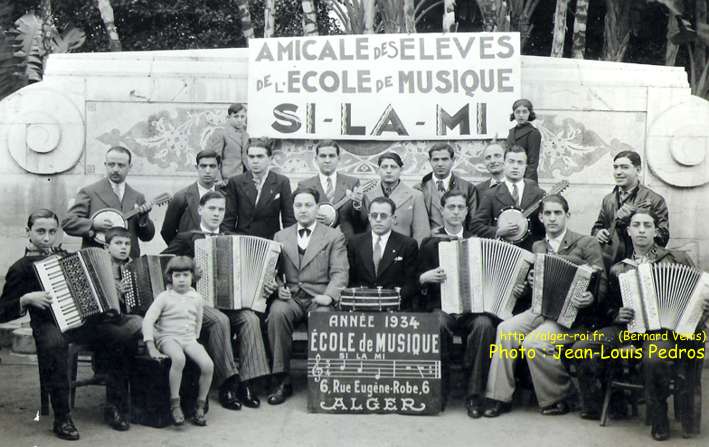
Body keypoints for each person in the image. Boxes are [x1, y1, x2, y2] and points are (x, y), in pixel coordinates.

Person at [0, 209, 142, 440]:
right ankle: (62, 417)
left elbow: (87, 289)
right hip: (48, 324)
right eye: (40, 231)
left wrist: (108, 291)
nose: (47, 238)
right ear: (28, 232)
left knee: (121, 336)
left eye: (52, 232)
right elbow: (3, 311)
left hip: (81, 322)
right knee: (55, 345)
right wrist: (26, 300)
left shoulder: (66, 256)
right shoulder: (21, 267)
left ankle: (114, 405)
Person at [572, 209, 709, 440]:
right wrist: (617, 314)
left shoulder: (676, 258)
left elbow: (699, 292)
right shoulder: (619, 268)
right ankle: (608, 404)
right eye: (637, 225)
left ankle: (659, 418)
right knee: (583, 348)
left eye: (647, 225)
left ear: (656, 231)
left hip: (665, 331)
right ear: (629, 231)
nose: (642, 230)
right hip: (629, 330)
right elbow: (608, 307)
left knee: (654, 357)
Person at [483, 194, 606, 418]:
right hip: (540, 310)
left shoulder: (587, 243)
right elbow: (536, 282)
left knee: (534, 342)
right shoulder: (538, 246)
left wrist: (591, 297)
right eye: (547, 213)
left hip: (573, 317)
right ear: (540, 217)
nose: (552, 218)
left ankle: (560, 396)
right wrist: (530, 284)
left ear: (567, 215)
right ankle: (499, 396)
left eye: (557, 213)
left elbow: (602, 282)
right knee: (505, 330)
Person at [164, 190, 267, 410]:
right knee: (220, 321)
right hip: (198, 303)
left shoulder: (233, 237)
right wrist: (189, 272)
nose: (216, 213)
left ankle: (247, 383)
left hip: (231, 302)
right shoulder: (185, 237)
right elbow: (164, 266)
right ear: (200, 210)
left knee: (250, 319)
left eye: (221, 209)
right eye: (211, 208)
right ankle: (227, 383)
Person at [417, 190, 497, 419]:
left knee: (484, 326)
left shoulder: (479, 242)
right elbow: (417, 279)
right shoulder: (430, 243)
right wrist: (426, 278)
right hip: (443, 307)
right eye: (450, 207)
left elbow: (491, 278)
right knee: (437, 324)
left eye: (460, 207)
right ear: (442, 210)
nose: (455, 212)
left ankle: (474, 394)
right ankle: (439, 390)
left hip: (473, 310)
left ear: (467, 211)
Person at [266, 187, 349, 405]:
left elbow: (340, 272)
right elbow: (271, 272)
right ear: (293, 208)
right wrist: (278, 288)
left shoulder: (333, 236)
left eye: (308, 205)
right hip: (291, 298)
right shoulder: (280, 235)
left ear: (317, 208)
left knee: (324, 318)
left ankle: (322, 380)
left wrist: (330, 297)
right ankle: (282, 379)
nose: (303, 210)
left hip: (319, 298)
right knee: (276, 313)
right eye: (298, 205)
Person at [143, 256, 214, 426]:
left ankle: (200, 406)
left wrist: (193, 341)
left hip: (188, 338)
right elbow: (147, 320)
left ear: (193, 277)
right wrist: (151, 344)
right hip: (167, 337)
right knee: (179, 359)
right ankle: (175, 404)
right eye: (177, 276)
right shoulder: (164, 297)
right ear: (170, 277)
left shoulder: (196, 297)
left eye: (185, 275)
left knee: (208, 365)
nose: (181, 280)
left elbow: (198, 320)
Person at [62, 146, 155, 259]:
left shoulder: (137, 197)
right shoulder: (89, 192)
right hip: (98, 260)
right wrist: (93, 224)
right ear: (105, 164)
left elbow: (147, 237)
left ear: (130, 167)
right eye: (111, 164)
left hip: (130, 261)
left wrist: (143, 218)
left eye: (121, 165)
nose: (115, 169)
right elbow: (68, 223)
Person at [591, 150, 669, 270]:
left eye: (624, 167)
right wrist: (598, 233)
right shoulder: (608, 199)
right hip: (609, 263)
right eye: (615, 167)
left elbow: (663, 237)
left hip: (640, 265)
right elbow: (598, 226)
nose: (618, 172)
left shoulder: (655, 200)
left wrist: (632, 221)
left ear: (638, 170)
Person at [347, 197, 419, 309]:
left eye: (384, 216)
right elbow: (351, 279)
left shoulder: (408, 244)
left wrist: (390, 301)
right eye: (374, 215)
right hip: (361, 306)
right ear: (369, 217)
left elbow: (411, 282)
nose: (378, 219)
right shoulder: (355, 243)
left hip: (395, 307)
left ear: (393, 218)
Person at [470, 145, 546, 251]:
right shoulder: (490, 194)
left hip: (530, 252)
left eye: (520, 163)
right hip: (501, 253)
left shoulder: (538, 194)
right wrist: (498, 231)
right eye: (511, 161)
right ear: (504, 164)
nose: (515, 166)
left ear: (525, 166)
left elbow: (543, 229)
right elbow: (475, 225)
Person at [221, 138, 296, 240]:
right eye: (251, 157)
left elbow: (289, 219)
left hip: (270, 241)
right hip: (243, 241)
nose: (255, 161)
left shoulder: (281, 182)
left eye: (260, 156)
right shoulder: (236, 182)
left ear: (270, 159)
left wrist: (287, 244)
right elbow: (228, 220)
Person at [297, 140, 366, 240]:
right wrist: (310, 218)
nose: (327, 160)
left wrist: (357, 204)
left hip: (345, 243)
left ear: (339, 158)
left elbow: (362, 221)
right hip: (315, 242)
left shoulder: (352, 183)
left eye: (331, 156)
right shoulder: (304, 185)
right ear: (316, 159)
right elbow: (296, 217)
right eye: (323, 156)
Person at [362, 152, 430, 245]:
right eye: (384, 167)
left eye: (393, 167)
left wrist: (415, 255)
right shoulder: (367, 195)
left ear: (401, 170)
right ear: (378, 170)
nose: (388, 171)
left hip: (403, 251)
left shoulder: (415, 196)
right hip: (374, 250)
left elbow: (421, 232)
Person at [161, 149, 223, 245]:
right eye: (203, 166)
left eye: (212, 166)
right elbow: (167, 232)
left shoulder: (226, 196)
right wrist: (183, 252)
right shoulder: (181, 197)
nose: (207, 171)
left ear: (219, 167)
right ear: (196, 167)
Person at [416, 142, 477, 231]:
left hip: (459, 241)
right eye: (436, 159)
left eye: (445, 159)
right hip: (430, 241)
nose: (440, 164)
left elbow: (473, 222)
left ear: (453, 160)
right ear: (430, 161)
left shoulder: (468, 188)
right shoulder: (419, 189)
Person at [205, 103, 250, 179]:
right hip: (226, 178)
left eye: (242, 117)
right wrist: (218, 180)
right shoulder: (221, 134)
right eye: (236, 116)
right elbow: (214, 159)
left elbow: (245, 157)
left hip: (243, 178)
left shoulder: (246, 135)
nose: (240, 120)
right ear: (228, 117)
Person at [506, 98, 541, 182]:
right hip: (511, 177)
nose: (521, 115)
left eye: (524, 112)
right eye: (517, 112)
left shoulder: (533, 133)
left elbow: (533, 163)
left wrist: (525, 183)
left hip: (527, 178)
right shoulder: (511, 132)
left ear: (530, 113)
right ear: (513, 114)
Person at [104, 227, 133, 309]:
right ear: (107, 248)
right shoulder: (101, 268)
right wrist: (118, 293)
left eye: (127, 244)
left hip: (130, 313)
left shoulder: (135, 267)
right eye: (118, 243)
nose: (124, 247)